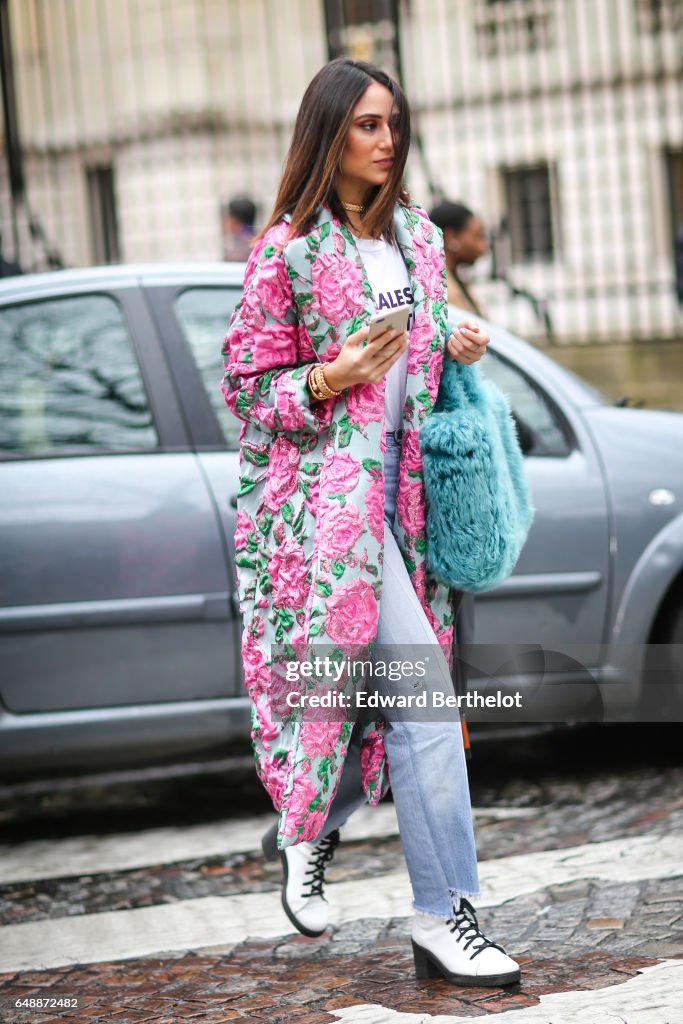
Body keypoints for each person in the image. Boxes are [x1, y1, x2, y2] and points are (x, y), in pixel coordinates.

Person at [221, 58, 520, 988]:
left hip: (404, 500)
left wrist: (456, 337)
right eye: (364, 125)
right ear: (327, 135)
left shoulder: (420, 240)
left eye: (392, 122)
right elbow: (245, 388)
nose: (385, 140)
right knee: (424, 698)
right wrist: (327, 377)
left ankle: (309, 830)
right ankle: (443, 913)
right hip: (327, 506)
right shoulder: (288, 251)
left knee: (383, 695)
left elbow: (423, 340)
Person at [429, 200, 489, 317]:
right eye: (478, 236)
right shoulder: (440, 290)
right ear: (451, 237)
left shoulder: (456, 281)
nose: (484, 247)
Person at [221, 194, 257, 261]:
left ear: (235, 221)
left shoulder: (239, 248)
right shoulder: (257, 240)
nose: (225, 221)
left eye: (228, 217)